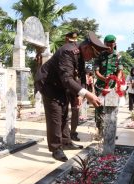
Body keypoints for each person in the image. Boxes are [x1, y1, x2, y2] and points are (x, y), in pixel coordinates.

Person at [35, 31, 109, 162]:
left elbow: (79, 76)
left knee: (64, 112)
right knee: (55, 114)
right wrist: (88, 94)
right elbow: (67, 78)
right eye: (91, 54)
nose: (90, 58)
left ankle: (66, 141)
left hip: (60, 85)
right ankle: (56, 148)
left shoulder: (80, 54)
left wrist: (79, 95)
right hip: (48, 83)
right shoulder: (68, 51)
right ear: (86, 48)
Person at [94, 34, 118, 139]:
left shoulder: (118, 56)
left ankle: (110, 131)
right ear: (105, 44)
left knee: (111, 108)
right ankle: (100, 131)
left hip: (112, 88)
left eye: (112, 44)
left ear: (115, 44)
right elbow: (96, 72)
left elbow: (120, 71)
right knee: (99, 108)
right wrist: (104, 79)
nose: (110, 46)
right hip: (100, 87)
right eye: (108, 44)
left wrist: (116, 81)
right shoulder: (100, 55)